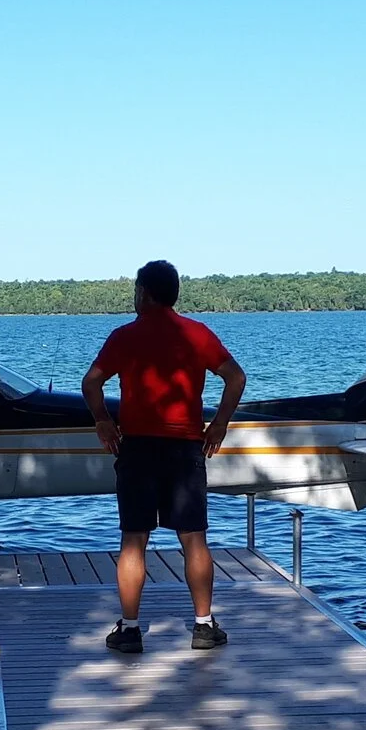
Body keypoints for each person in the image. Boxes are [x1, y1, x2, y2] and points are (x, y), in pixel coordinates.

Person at [81, 260, 247, 653]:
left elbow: (91, 382)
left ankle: (130, 628)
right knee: (193, 539)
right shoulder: (197, 334)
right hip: (185, 448)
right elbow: (235, 377)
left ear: (145, 293)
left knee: (134, 541)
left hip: (137, 447)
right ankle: (204, 626)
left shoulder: (125, 337)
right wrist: (220, 424)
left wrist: (103, 421)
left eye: (137, 290)